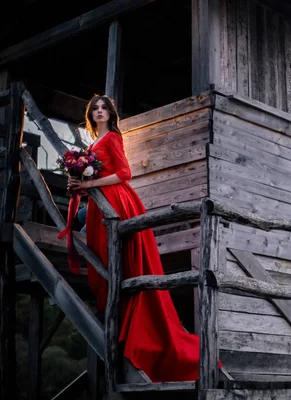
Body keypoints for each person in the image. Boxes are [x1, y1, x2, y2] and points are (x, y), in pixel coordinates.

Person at [67, 95, 214, 382]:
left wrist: (89, 183)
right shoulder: (93, 144)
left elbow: (124, 173)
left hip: (117, 202)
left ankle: (137, 331)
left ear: (111, 113)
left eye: (104, 108)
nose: (99, 112)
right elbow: (99, 177)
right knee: (99, 249)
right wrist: (79, 185)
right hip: (101, 202)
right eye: (95, 109)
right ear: (91, 115)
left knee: (118, 260)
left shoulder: (111, 140)